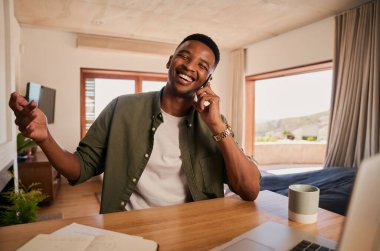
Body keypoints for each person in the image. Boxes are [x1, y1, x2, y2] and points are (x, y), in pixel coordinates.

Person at [9, 33, 261, 214]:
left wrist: (218, 128)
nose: (189, 66)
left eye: (202, 66)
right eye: (184, 56)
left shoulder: (217, 125)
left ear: (209, 79)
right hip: (128, 228)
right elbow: (79, 169)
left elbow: (249, 190)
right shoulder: (121, 107)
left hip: (193, 228)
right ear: (170, 60)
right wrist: (45, 137)